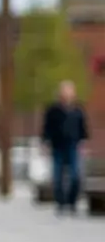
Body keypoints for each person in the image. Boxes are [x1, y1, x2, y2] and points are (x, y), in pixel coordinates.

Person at [42, 79, 90, 216]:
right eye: (65, 91)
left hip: (73, 146)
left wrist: (83, 143)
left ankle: (71, 201)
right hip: (57, 146)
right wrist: (45, 142)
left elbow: (83, 129)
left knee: (75, 175)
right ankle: (60, 202)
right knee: (57, 176)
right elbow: (47, 128)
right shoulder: (53, 110)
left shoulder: (78, 110)